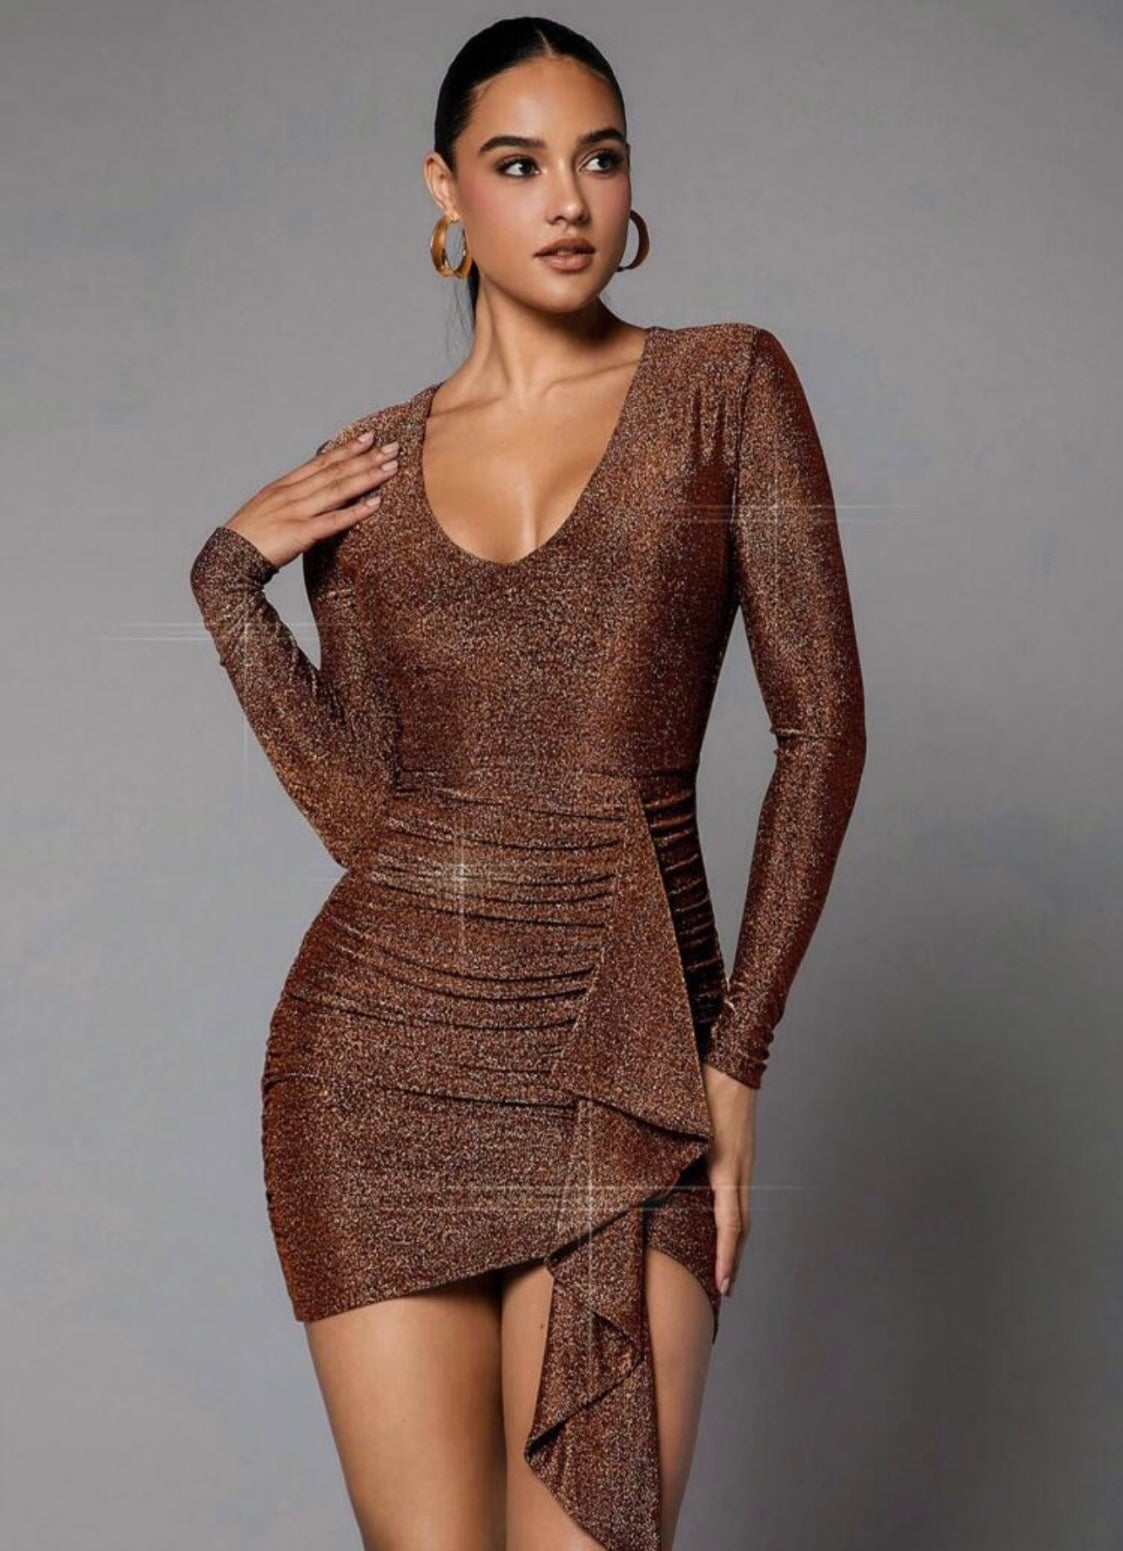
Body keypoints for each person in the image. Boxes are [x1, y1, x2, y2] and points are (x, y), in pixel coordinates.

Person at [188, 16, 866, 1551]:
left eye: (599, 158)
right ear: (445, 190)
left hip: (628, 1057)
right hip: (379, 1071)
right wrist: (231, 588)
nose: (568, 199)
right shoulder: (370, 469)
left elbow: (823, 730)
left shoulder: (723, 384)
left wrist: (736, 1064)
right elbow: (374, 825)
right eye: (518, 164)